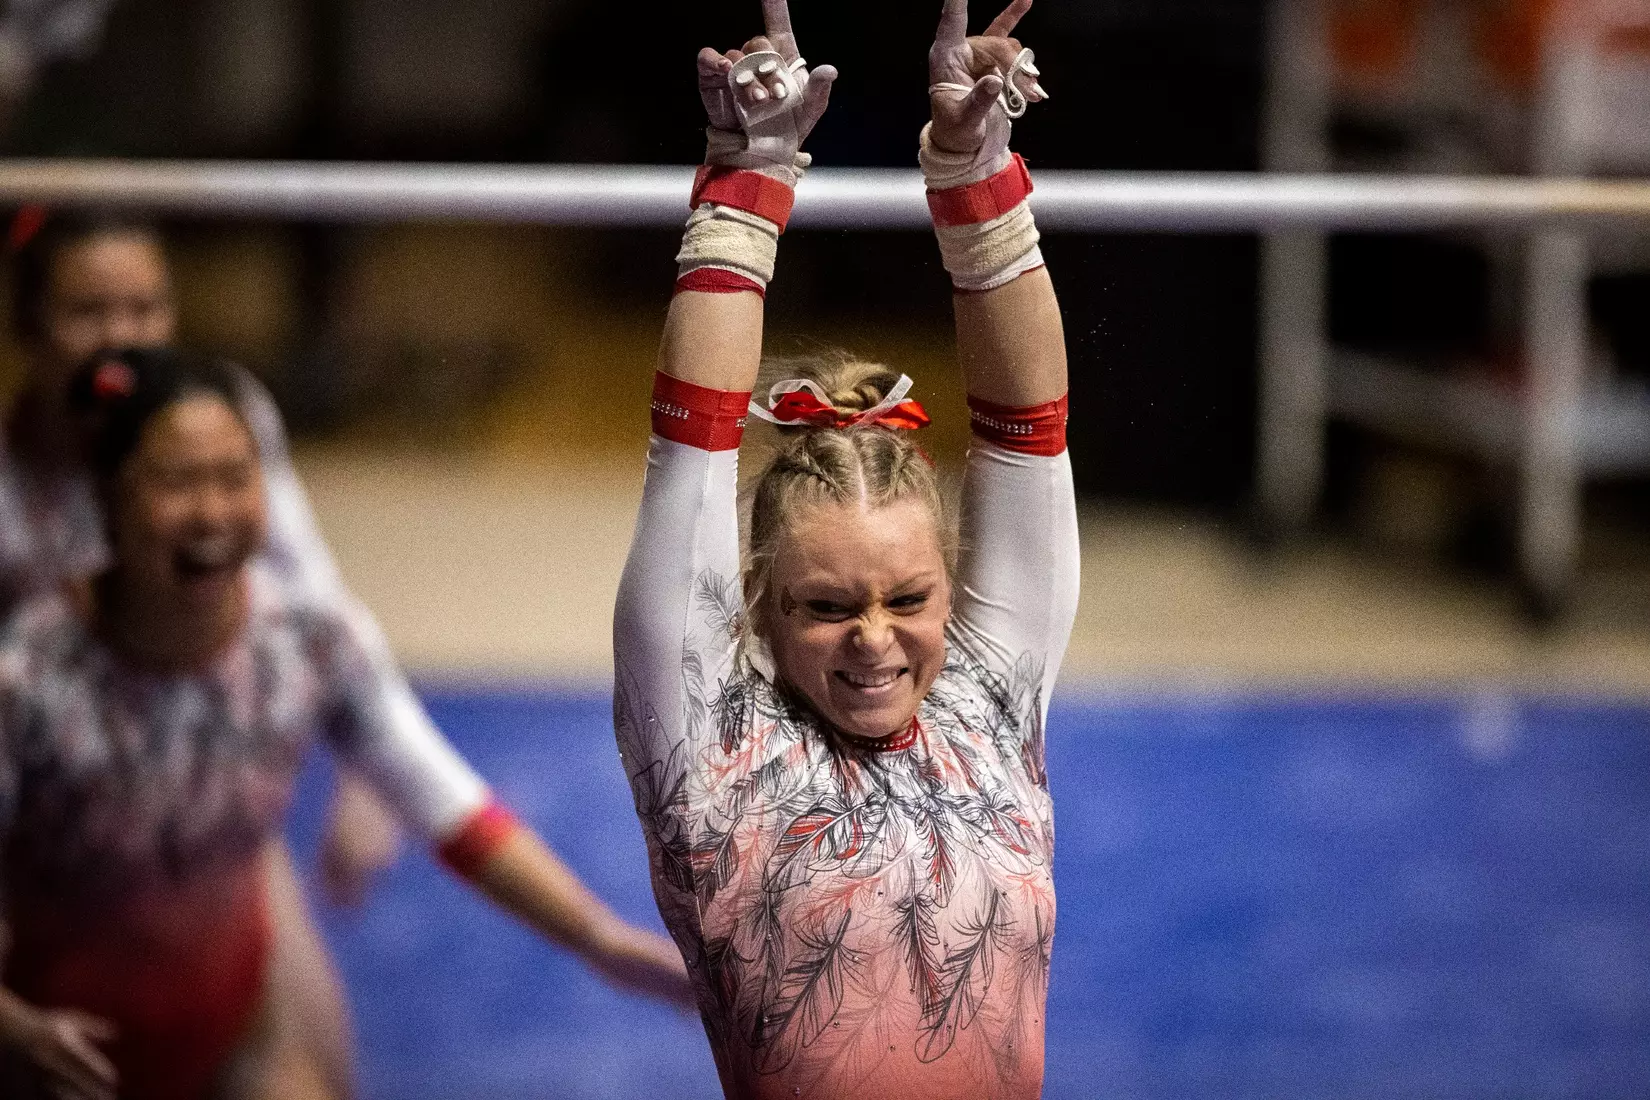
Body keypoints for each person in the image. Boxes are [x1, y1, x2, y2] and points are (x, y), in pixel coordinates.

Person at [0, 346, 694, 1100]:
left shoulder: (307, 639)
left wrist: (595, 936)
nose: (212, 513)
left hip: (232, 1049)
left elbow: (446, 804)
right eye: (175, 482)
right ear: (106, 497)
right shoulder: (28, 677)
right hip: (49, 1065)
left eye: (236, 478)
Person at [613, 0, 1075, 1096]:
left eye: (907, 598)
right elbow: (692, 446)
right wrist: (749, 177)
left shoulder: (991, 700)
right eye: (826, 607)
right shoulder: (711, 748)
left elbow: (1030, 430)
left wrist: (973, 167)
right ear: (759, 610)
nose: (876, 639)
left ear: (951, 591)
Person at [0, 208, 421, 1093]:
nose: (122, 337)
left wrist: (367, 772)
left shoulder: (209, 413)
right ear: (28, 328)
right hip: (40, 831)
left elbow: (312, 600)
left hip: (204, 809)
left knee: (320, 1056)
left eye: (146, 307)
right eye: (89, 311)